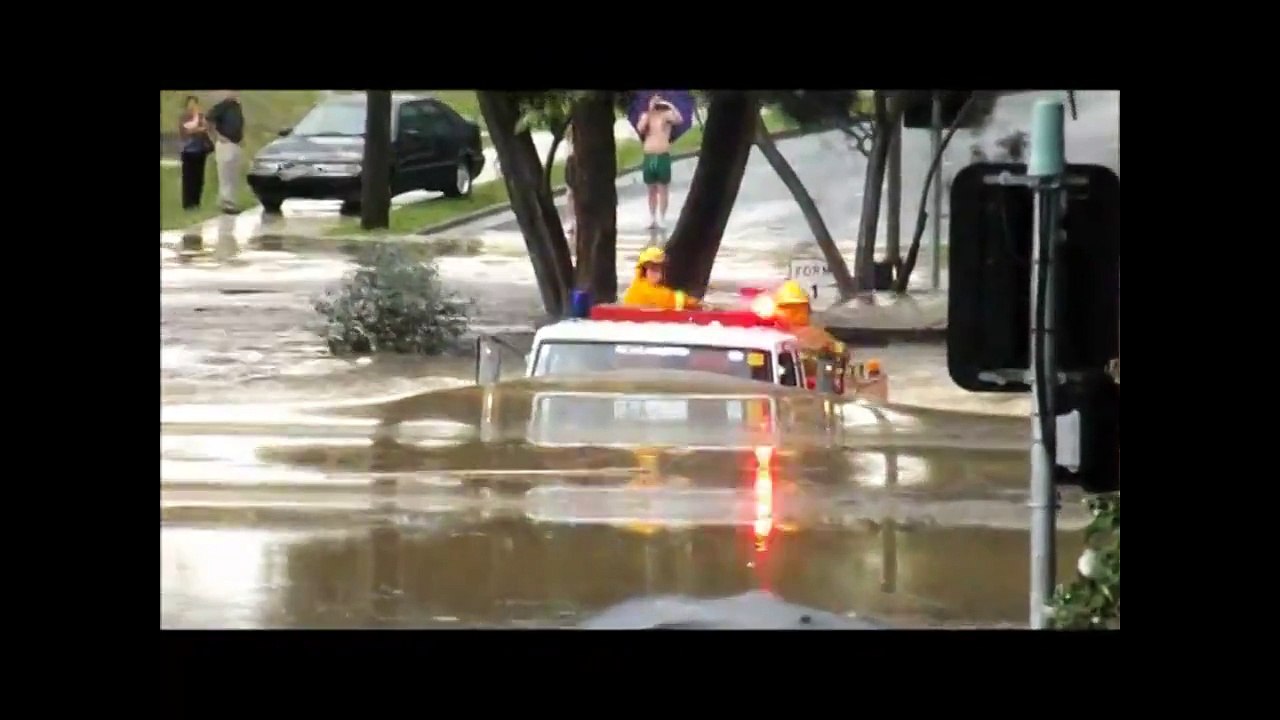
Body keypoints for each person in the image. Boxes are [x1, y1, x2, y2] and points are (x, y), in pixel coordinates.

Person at [635, 95, 683, 230]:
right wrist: (649, 113)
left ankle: (662, 216)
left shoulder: (667, 116)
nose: (655, 103)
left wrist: (669, 104)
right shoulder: (645, 116)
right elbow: (640, 128)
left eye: (658, 100)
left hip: (662, 154)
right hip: (649, 154)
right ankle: (652, 216)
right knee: (651, 189)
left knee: (663, 188)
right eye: (653, 100)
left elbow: (679, 119)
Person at [621, 247, 701, 310]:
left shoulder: (635, 288)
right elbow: (673, 299)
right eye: (652, 268)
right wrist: (697, 304)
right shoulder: (643, 290)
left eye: (658, 268)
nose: (655, 272)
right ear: (643, 271)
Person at [205, 90, 245, 215]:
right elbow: (208, 120)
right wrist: (216, 137)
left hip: (236, 143)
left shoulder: (237, 106)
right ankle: (226, 203)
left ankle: (231, 201)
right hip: (225, 143)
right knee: (225, 174)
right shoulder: (223, 106)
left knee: (233, 175)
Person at [177, 95, 212, 210]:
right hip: (188, 151)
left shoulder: (201, 117)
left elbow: (206, 129)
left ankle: (196, 202)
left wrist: (201, 127)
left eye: (194, 103)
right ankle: (188, 204)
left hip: (200, 151)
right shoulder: (184, 117)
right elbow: (186, 131)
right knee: (188, 179)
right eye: (190, 104)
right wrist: (198, 129)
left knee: (199, 178)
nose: (192, 106)